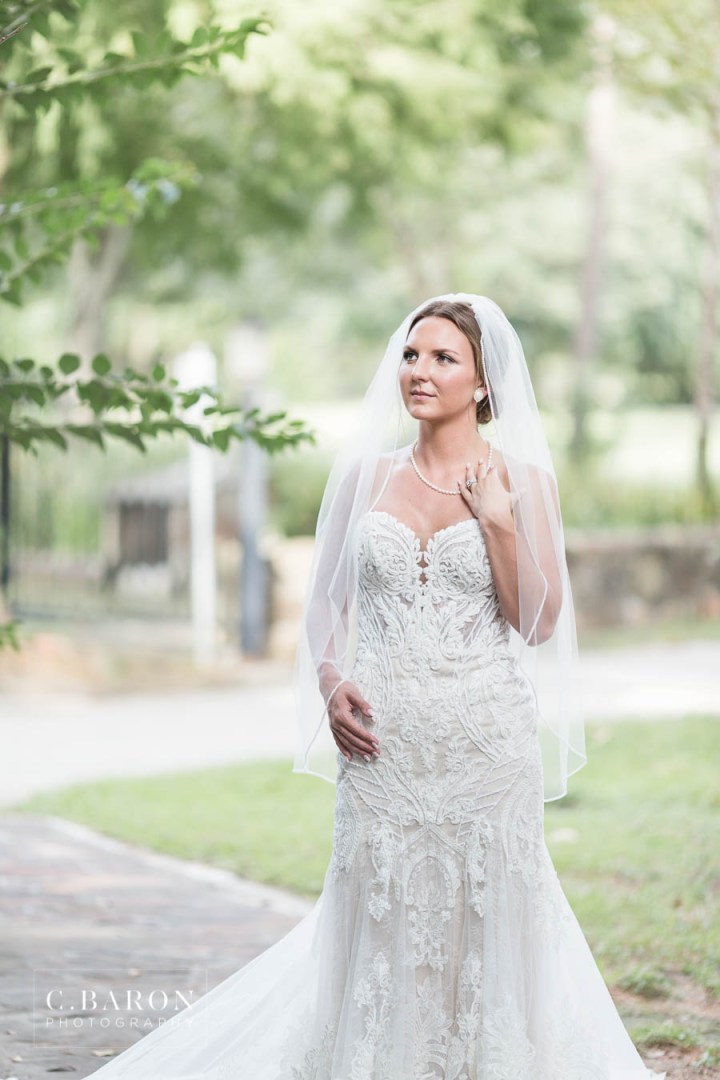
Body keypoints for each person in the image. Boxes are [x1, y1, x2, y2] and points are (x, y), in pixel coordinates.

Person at [85, 294, 665, 1079]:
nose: (419, 371)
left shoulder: (523, 481)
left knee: (485, 928)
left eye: (443, 358)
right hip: (381, 755)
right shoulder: (365, 476)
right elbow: (325, 604)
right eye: (412, 355)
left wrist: (496, 522)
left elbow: (539, 623)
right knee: (382, 927)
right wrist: (329, 681)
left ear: (485, 383)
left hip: (486, 749)